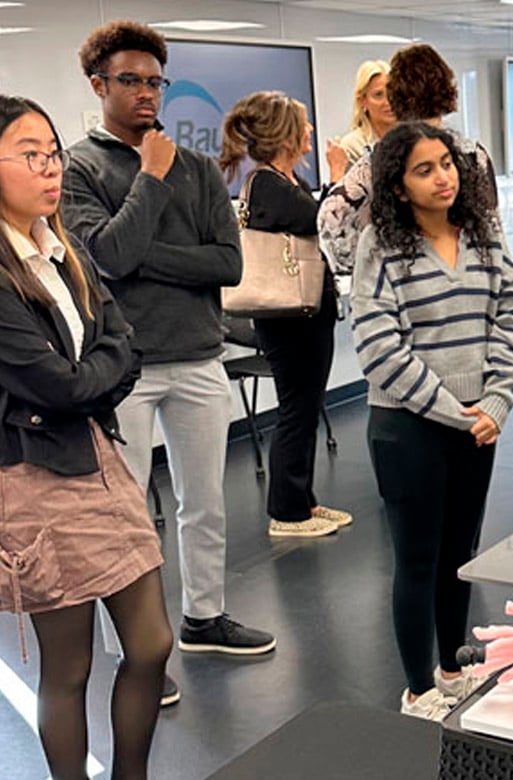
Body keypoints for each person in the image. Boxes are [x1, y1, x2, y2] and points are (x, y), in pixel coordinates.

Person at [62, 21, 275, 677]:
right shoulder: (80, 167)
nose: (147, 93)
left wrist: (144, 258)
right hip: (123, 370)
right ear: (98, 85)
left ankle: (203, 618)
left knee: (204, 502)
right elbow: (105, 260)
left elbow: (227, 263)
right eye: (131, 81)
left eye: (156, 82)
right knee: (124, 518)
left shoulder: (200, 168)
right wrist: (150, 180)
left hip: (199, 358)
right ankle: (137, 654)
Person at [0, 94, 171, 780]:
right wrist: (101, 371)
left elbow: (121, 341)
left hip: (100, 460)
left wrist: (97, 371)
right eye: (31, 155)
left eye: (54, 153)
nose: (51, 170)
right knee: (69, 667)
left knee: (152, 644)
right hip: (35, 479)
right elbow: (60, 385)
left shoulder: (60, 244)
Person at [351, 121, 513, 720]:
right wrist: (455, 412)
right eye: (424, 169)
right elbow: (379, 346)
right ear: (398, 187)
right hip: (409, 427)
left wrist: (496, 401)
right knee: (418, 559)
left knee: (461, 553)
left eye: (446, 163)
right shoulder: (381, 245)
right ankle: (418, 687)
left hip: (478, 423)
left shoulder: (482, 231)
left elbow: (508, 312)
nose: (443, 176)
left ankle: (453, 670)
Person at [219, 91, 351, 538]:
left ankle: (304, 501)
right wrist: (338, 176)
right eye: (303, 124)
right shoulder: (269, 185)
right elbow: (323, 222)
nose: (311, 131)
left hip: (307, 316)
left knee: (307, 408)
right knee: (297, 411)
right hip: (288, 320)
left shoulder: (282, 179)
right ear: (285, 134)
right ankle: (287, 512)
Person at [318, 43, 496, 277]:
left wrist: (363, 264)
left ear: (397, 96)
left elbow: (332, 219)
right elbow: (493, 226)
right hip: (469, 276)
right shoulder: (473, 155)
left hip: (408, 278)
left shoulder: (383, 157)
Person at [335, 59, 394, 168]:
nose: (388, 102)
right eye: (378, 95)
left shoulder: (413, 139)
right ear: (362, 101)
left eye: (393, 94)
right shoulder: (352, 146)